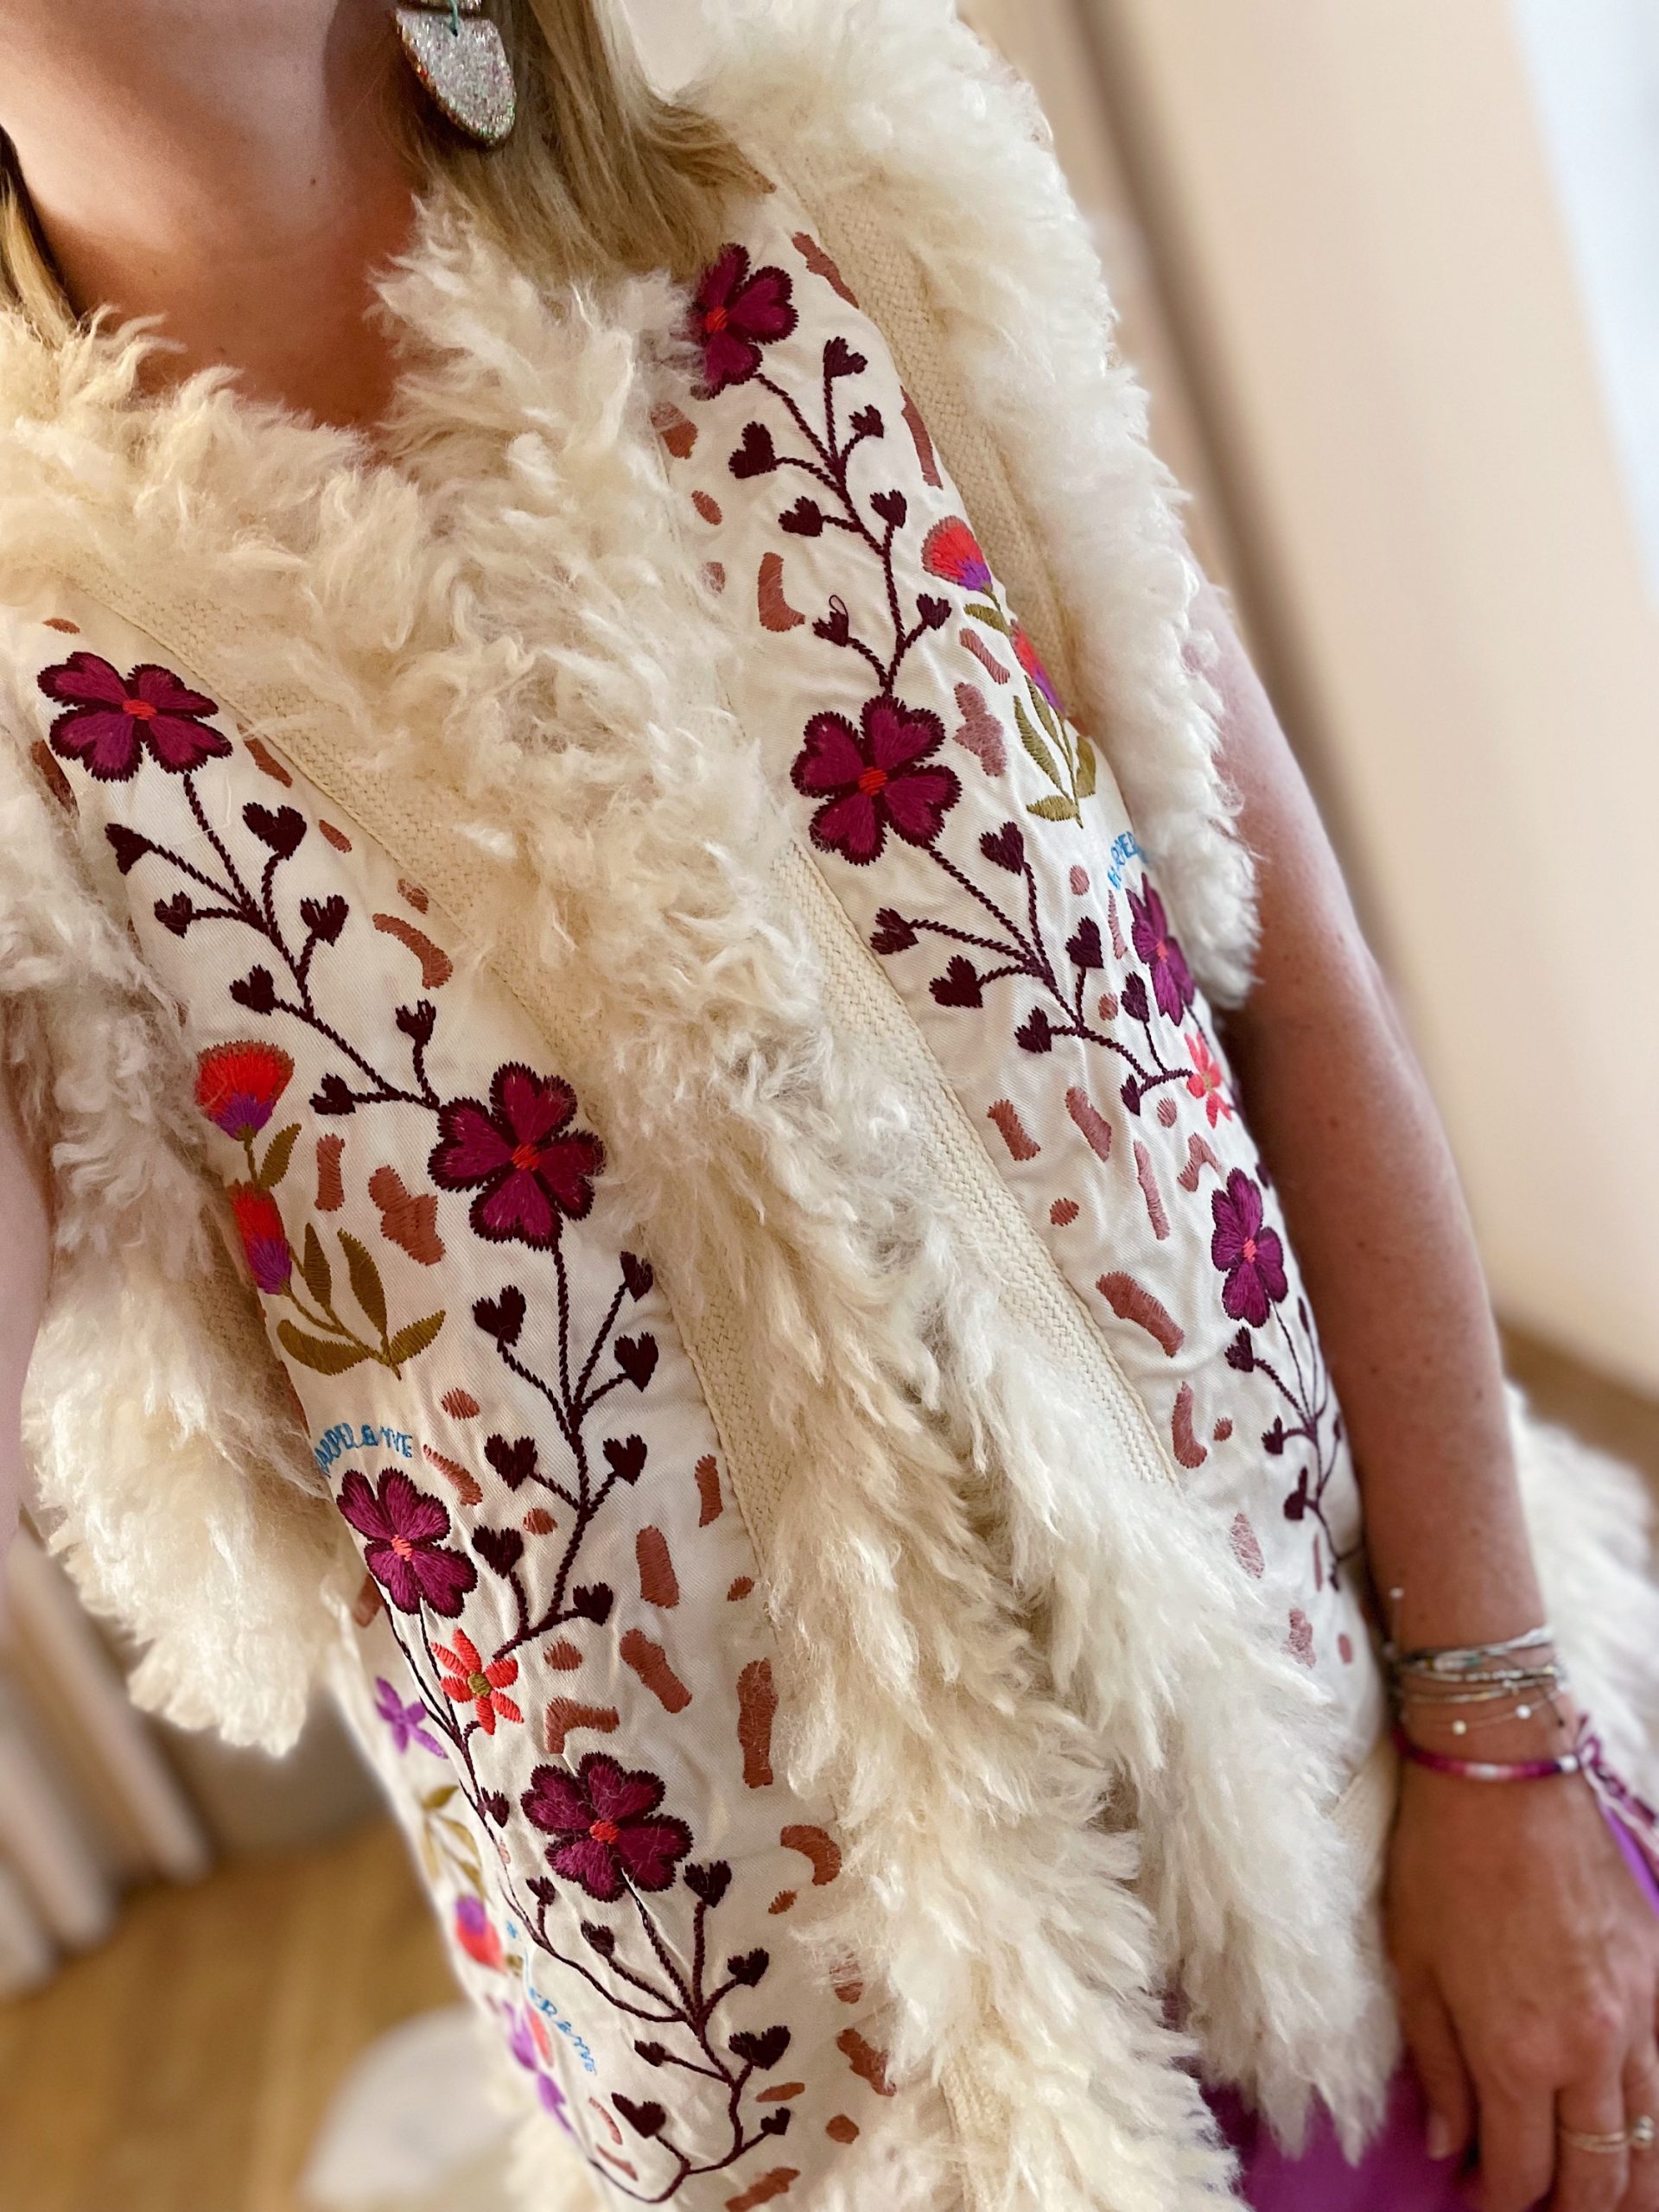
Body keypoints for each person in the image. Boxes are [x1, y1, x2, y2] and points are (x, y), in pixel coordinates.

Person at [1, 3, 1656, 2208]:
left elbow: (1298, 998)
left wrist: (1500, 1739)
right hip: (826, 2120)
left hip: (1392, 1860)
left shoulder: (855, 224)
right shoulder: (28, 719)